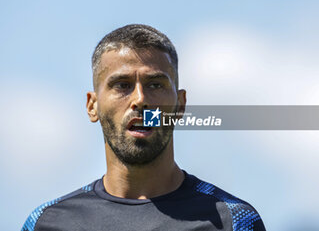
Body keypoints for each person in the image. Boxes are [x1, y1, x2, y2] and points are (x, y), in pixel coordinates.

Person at [21, 24, 266, 231]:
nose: (140, 99)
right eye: (122, 85)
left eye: (155, 85)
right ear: (92, 106)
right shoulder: (47, 223)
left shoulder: (235, 221)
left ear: (180, 105)